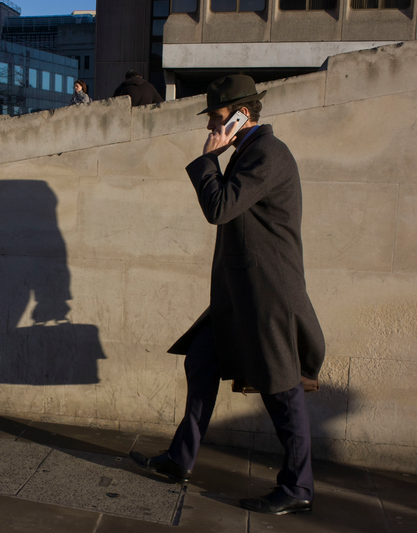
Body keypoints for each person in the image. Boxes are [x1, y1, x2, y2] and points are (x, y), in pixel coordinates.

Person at [129, 75, 325, 516]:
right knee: (200, 360)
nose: (210, 128)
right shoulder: (250, 152)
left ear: (244, 115)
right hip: (239, 295)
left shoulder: (267, 155)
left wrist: (209, 161)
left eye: (218, 119)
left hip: (267, 295)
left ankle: (299, 486)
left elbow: (219, 208)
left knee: (283, 390)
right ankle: (180, 460)